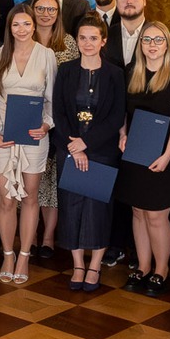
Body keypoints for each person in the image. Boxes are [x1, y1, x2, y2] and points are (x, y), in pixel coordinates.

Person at [0, 3, 56, 286]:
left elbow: (53, 98)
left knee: (30, 198)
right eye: (16, 24)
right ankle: (8, 255)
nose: (21, 29)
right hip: (3, 136)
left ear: (34, 26)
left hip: (35, 137)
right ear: (9, 27)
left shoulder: (46, 55)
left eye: (26, 24)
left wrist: (46, 125)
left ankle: (24, 255)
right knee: (6, 199)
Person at [115, 21, 170, 296]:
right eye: (147, 40)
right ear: (141, 44)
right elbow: (123, 112)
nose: (152, 45)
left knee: (157, 215)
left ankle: (161, 269)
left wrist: (167, 156)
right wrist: (122, 134)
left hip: (165, 156)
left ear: (167, 44)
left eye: (158, 40)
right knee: (138, 212)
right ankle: (143, 266)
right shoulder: (131, 72)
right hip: (135, 152)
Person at [53, 19, 126, 292]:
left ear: (103, 41)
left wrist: (87, 143)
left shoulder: (115, 74)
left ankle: (94, 265)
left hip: (102, 151)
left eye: (93, 38)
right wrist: (74, 146)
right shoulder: (66, 70)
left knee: (98, 210)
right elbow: (58, 111)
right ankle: (77, 265)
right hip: (69, 149)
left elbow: (116, 116)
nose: (87, 43)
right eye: (82, 38)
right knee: (71, 207)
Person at [30, 0, 79, 258]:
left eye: (51, 9)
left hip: (59, 119)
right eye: (40, 8)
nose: (45, 14)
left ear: (58, 14)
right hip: (28, 118)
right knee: (31, 178)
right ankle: (30, 235)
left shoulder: (68, 42)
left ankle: (48, 237)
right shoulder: (24, 38)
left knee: (51, 180)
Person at [103, 0, 148, 72]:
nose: (129, 1)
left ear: (144, 0)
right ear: (116, 2)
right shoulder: (105, 35)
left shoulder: (159, 36)